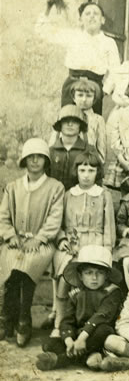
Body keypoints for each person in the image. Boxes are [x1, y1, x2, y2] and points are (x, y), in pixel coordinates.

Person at [0, 139, 64, 346]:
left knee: (27, 267)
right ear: (24, 160)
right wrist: (10, 236)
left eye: (40, 157)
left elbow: (55, 219)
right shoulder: (13, 187)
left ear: (46, 161)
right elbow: (4, 217)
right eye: (31, 157)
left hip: (42, 242)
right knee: (10, 266)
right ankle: (6, 319)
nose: (35, 161)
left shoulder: (55, 187)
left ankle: (23, 319)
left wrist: (39, 238)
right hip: (16, 241)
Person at [51, 151, 115, 339]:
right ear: (76, 171)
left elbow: (108, 227)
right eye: (82, 170)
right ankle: (60, 322)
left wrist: (107, 250)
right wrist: (62, 239)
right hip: (71, 244)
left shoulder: (104, 195)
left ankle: (88, 323)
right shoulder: (69, 195)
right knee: (64, 277)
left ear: (97, 172)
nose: (86, 174)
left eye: (91, 170)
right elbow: (59, 224)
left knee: (92, 275)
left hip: (96, 244)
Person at [35, 245, 122, 371]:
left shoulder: (112, 292)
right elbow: (67, 320)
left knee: (103, 330)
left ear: (107, 275)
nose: (94, 278)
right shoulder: (76, 293)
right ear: (80, 276)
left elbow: (101, 316)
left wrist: (82, 339)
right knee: (49, 344)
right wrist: (69, 341)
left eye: (100, 273)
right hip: (79, 336)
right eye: (88, 273)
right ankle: (87, 357)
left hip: (97, 335)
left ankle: (61, 360)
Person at [37, 1, 120, 115]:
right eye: (87, 14)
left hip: (94, 87)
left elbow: (116, 70)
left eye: (96, 13)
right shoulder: (72, 36)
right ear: (80, 20)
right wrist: (47, 8)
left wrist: (104, 90)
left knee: (91, 123)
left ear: (102, 20)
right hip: (72, 84)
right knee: (69, 120)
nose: (92, 16)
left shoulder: (109, 42)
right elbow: (45, 33)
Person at [48, 78, 107, 162]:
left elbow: (102, 150)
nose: (84, 99)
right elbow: (53, 142)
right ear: (73, 97)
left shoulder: (98, 120)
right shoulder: (64, 114)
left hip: (87, 164)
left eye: (89, 96)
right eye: (80, 95)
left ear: (94, 99)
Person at [48, 105, 99, 190]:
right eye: (66, 121)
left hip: (80, 198)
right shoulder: (51, 151)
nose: (70, 124)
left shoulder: (89, 150)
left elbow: (97, 180)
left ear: (80, 125)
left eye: (75, 121)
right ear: (60, 124)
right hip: (55, 198)